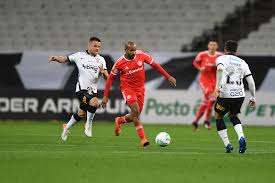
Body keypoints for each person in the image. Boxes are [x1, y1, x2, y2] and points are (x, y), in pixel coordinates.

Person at [101, 41, 176, 147]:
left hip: (140, 89)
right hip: (127, 89)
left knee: (135, 114)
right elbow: (110, 79)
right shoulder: (119, 62)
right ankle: (143, 139)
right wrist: (105, 96)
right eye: (131, 50)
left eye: (134, 50)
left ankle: (120, 120)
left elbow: (155, 65)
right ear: (125, 50)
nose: (134, 52)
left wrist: (168, 76)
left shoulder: (141, 55)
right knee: (135, 111)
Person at [49, 36, 108, 141]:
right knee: (95, 103)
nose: (97, 48)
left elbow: (107, 78)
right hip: (81, 90)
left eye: (99, 46)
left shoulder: (101, 60)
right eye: (95, 46)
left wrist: (103, 72)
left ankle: (66, 128)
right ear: (89, 45)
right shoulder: (79, 56)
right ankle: (88, 125)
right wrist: (56, 58)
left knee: (81, 113)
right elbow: (65, 59)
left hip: (92, 91)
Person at [214, 40, 256, 153]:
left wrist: (216, 87)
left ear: (225, 49)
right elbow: (251, 82)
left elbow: (220, 69)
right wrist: (253, 97)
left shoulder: (221, 58)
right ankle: (241, 137)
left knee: (218, 116)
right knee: (233, 116)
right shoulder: (243, 62)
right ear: (236, 51)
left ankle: (227, 145)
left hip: (225, 94)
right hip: (239, 95)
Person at [192, 40, 223, 131]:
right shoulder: (202, 54)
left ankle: (195, 122)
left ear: (217, 47)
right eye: (211, 44)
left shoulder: (220, 56)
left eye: (214, 45)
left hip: (215, 81)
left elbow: (223, 66)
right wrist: (200, 68)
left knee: (206, 101)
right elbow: (195, 62)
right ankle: (206, 120)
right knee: (212, 97)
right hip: (204, 80)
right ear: (208, 46)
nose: (212, 46)